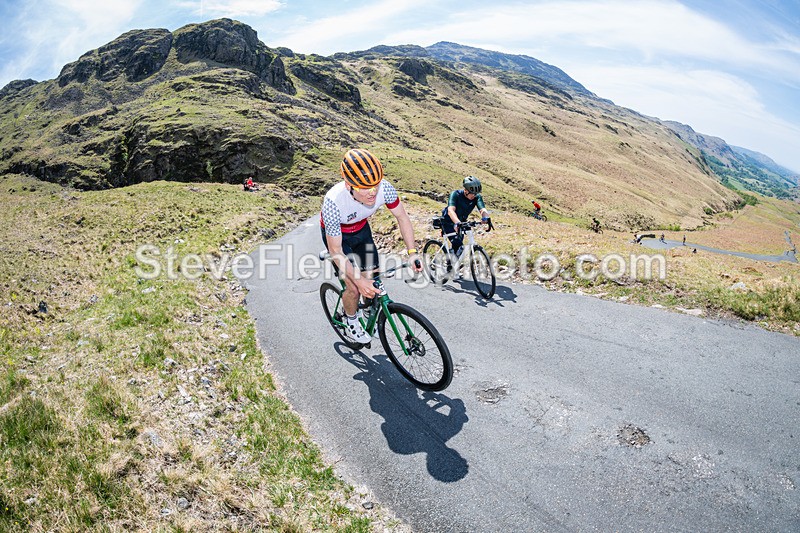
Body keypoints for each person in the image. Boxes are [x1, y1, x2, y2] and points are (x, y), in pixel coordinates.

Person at [321, 149, 422, 344]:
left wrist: (412, 252)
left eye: (375, 185)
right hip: (340, 239)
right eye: (364, 188)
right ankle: (351, 321)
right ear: (348, 184)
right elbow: (336, 251)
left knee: (373, 277)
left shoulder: (385, 188)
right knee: (354, 287)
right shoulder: (333, 201)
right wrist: (358, 281)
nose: (373, 192)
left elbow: (402, 217)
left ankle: (368, 308)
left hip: (362, 231)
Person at [441, 176, 493, 257]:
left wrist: (486, 218)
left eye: (476, 193)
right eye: (473, 193)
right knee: (458, 245)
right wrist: (457, 222)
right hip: (448, 222)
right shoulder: (455, 194)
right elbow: (450, 211)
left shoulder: (477, 197)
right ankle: (449, 265)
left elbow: (482, 209)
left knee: (458, 249)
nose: (475, 196)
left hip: (461, 222)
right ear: (466, 191)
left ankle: (453, 265)